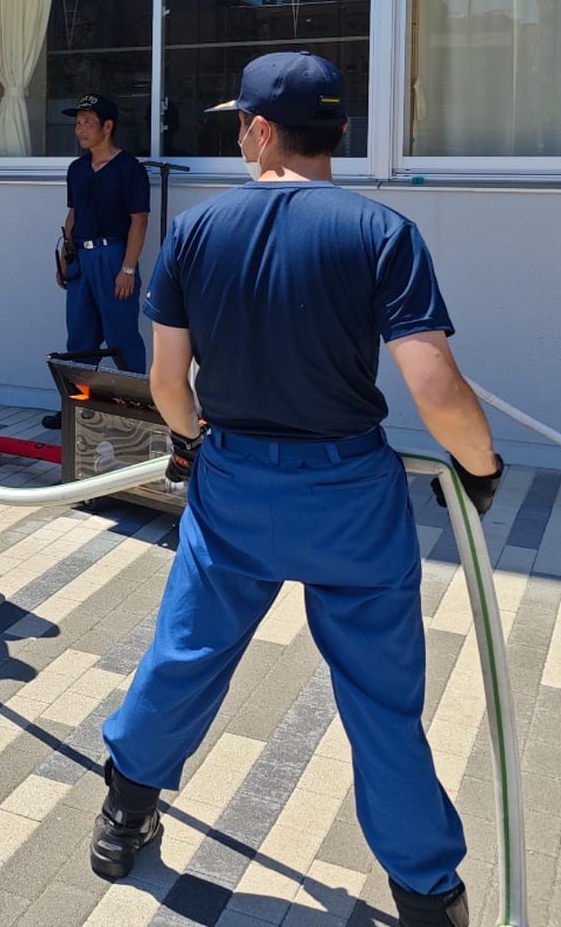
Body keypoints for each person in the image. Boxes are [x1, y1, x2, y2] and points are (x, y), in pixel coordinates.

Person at [91, 52, 502, 927]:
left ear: (263, 130)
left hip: (235, 481)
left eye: (241, 121)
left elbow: (168, 383)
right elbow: (434, 387)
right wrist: (481, 467)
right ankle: (428, 894)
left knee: (189, 651)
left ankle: (125, 809)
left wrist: (199, 443)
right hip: (349, 491)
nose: (238, 133)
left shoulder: (197, 233)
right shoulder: (381, 233)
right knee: (380, 696)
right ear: (341, 134)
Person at [59, 93, 150, 374]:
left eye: (88, 122)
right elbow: (73, 213)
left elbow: (140, 220)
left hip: (112, 256)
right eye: (78, 123)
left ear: (107, 126)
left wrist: (128, 269)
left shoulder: (129, 169)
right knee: (79, 334)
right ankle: (76, 409)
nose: (80, 129)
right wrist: (65, 255)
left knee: (121, 335)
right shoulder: (77, 169)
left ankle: (134, 410)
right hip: (80, 257)